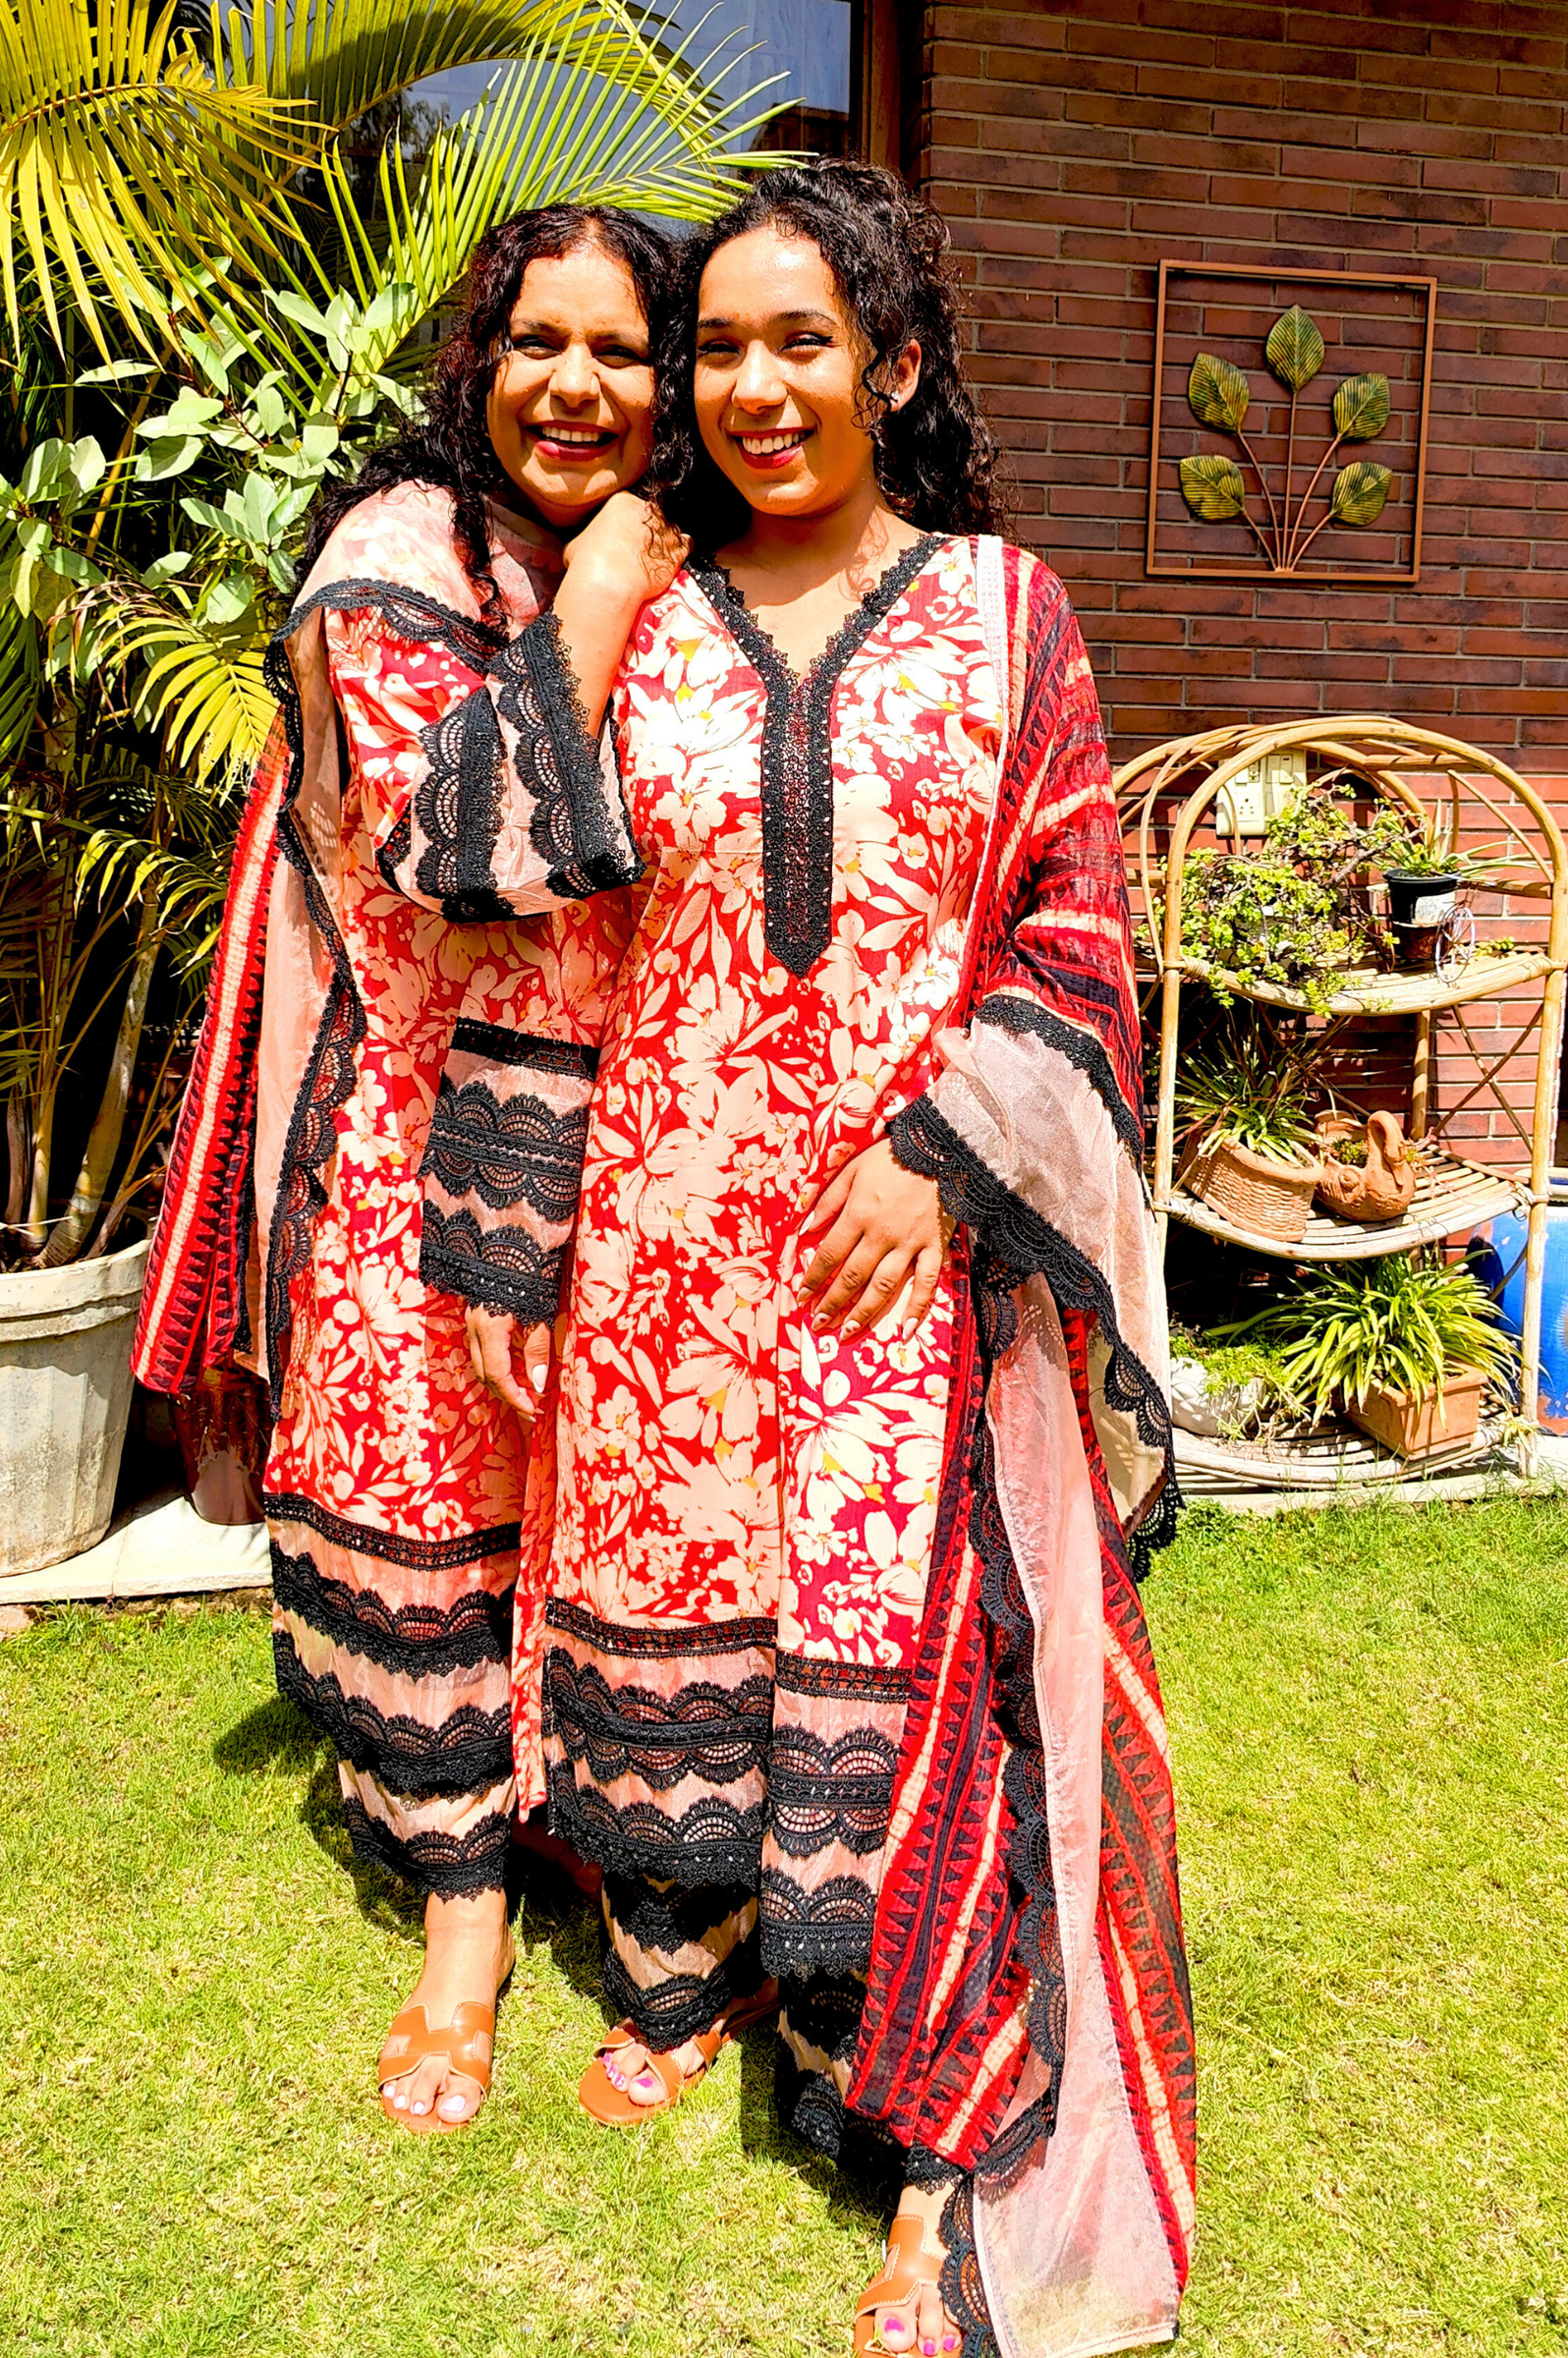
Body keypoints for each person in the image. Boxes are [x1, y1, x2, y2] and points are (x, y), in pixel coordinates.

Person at [397, 161, 1196, 2355]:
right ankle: (703, 1966)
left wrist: (945, 1153)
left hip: (890, 1265)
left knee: (937, 1686)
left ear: (896, 363)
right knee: (686, 1642)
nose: (752, 387)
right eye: (719, 348)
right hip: (661, 1253)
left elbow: (1081, 935)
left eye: (801, 341)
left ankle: (959, 2157)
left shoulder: (1010, 616)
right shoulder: (640, 603)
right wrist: (504, 1250)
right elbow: (526, 930)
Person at [131, 202, 682, 2135]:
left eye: (625, 350)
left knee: (624, 1515)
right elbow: (468, 846)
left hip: (653, 1140)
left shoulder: (701, 551)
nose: (580, 386)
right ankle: (462, 1923)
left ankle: (627, 1846)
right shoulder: (398, 557)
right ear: (480, 359)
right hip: (420, 1138)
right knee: (438, 1498)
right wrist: (605, 588)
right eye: (542, 341)